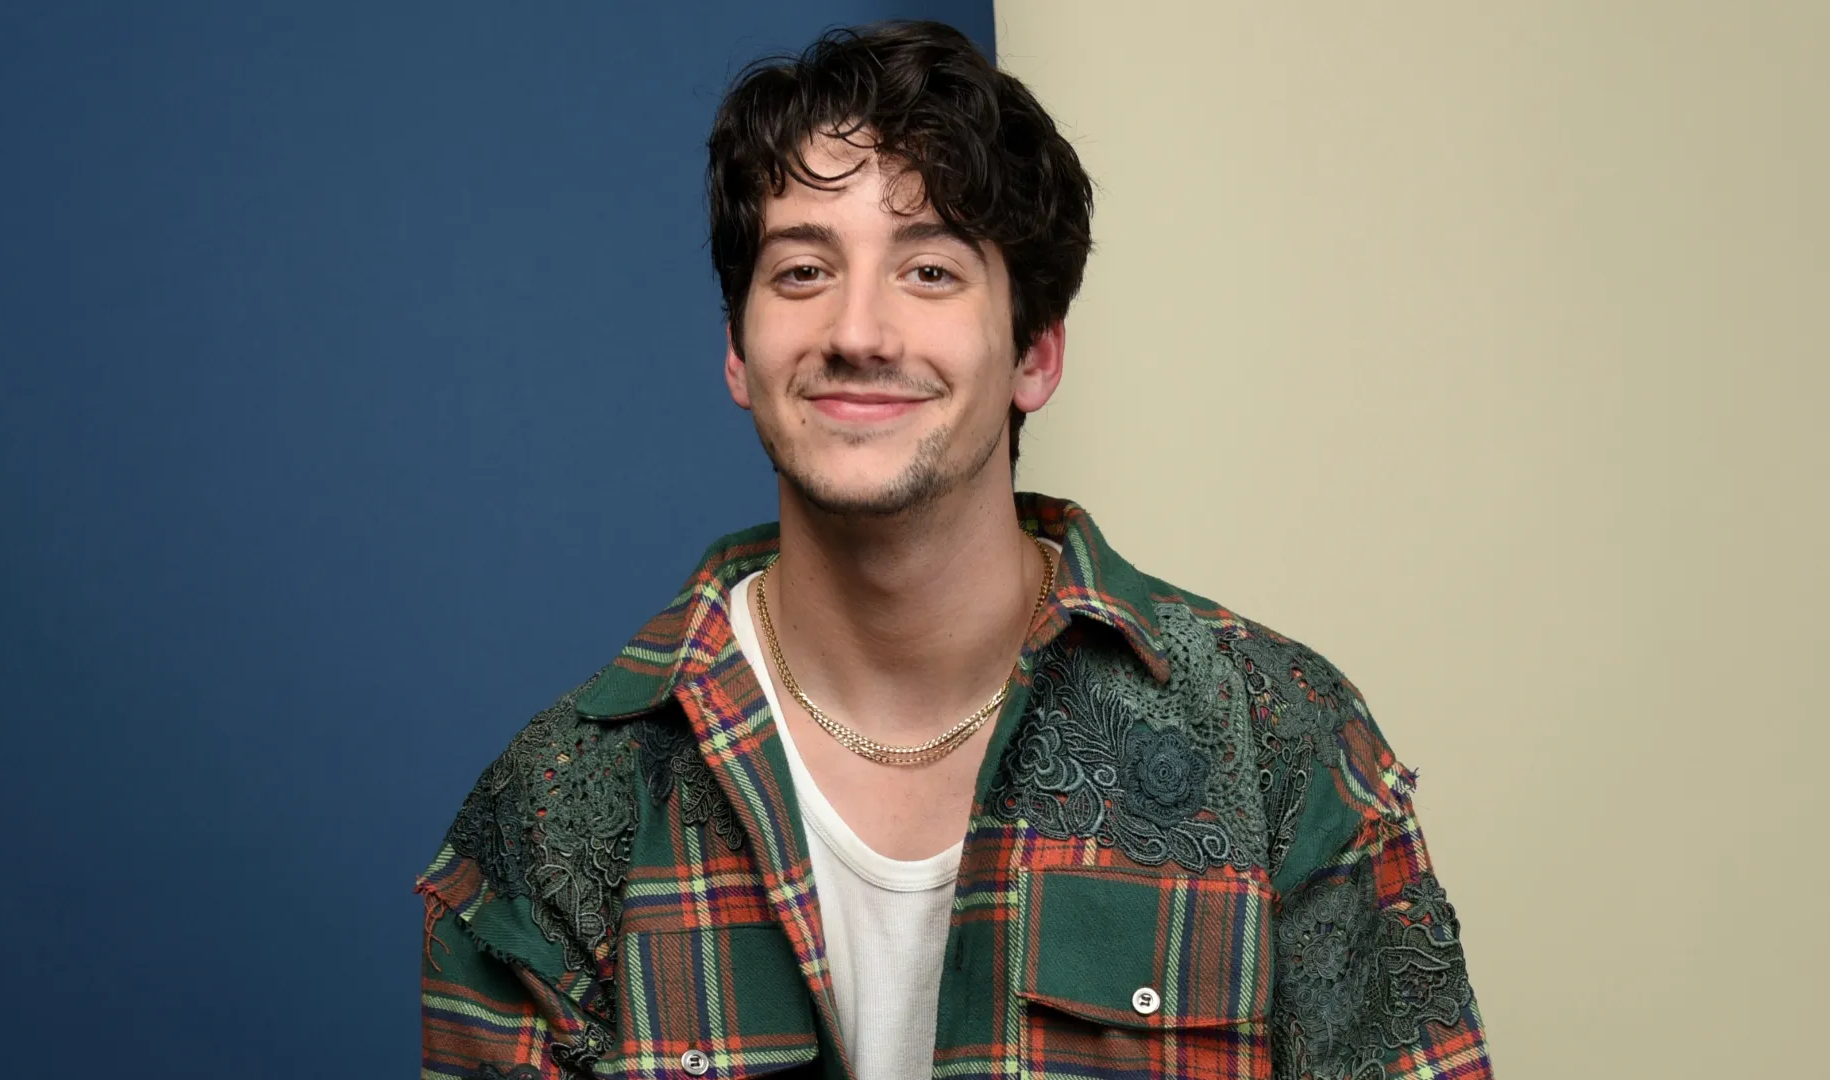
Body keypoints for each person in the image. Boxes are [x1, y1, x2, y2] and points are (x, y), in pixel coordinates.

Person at [417, 20, 1491, 1080]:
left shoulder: (1277, 743)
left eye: (930, 271)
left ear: (1033, 355)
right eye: (800, 272)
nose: (859, 330)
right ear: (739, 353)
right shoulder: (558, 812)